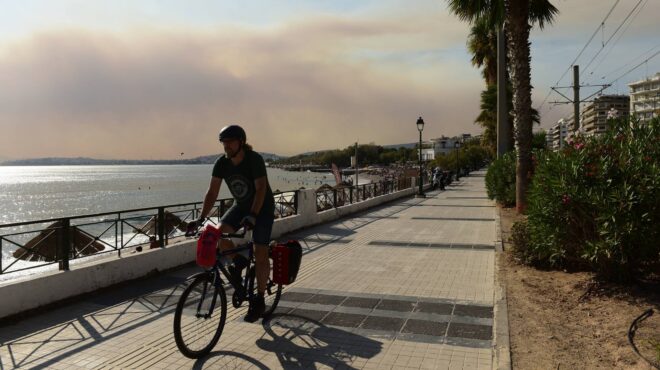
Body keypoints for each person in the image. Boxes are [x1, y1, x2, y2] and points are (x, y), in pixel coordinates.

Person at [188, 124, 275, 323]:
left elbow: (261, 189)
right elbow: (212, 192)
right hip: (241, 206)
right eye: (223, 143)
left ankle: (260, 300)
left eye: (229, 142)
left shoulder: (254, 160)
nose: (226, 146)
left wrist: (253, 215)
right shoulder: (221, 163)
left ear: (241, 142)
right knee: (219, 234)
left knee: (261, 252)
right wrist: (201, 218)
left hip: (262, 209)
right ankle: (239, 261)